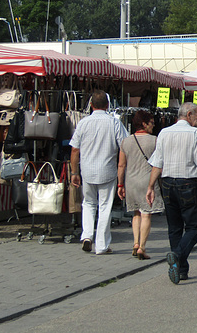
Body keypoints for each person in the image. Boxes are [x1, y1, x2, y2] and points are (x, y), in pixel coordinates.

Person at [146, 102, 197, 284]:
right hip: (187, 183)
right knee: (193, 228)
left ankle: (181, 270)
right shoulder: (196, 134)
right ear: (188, 114)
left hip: (168, 184)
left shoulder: (164, 133)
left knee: (175, 228)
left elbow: (158, 163)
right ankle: (177, 256)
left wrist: (151, 186)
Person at [70, 90, 129, 255]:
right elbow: (124, 145)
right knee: (104, 206)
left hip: (87, 170)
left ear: (91, 105)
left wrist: (74, 172)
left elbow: (75, 149)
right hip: (107, 170)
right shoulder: (114, 123)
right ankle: (102, 245)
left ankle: (87, 235)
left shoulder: (83, 123)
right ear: (108, 105)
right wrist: (122, 168)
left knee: (88, 203)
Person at [117, 110, 163, 260]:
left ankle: (135, 243)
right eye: (151, 122)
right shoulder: (155, 140)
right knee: (146, 214)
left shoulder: (126, 141)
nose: (153, 125)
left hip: (131, 181)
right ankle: (142, 247)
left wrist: (120, 184)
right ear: (144, 123)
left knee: (136, 213)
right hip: (147, 180)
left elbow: (121, 165)